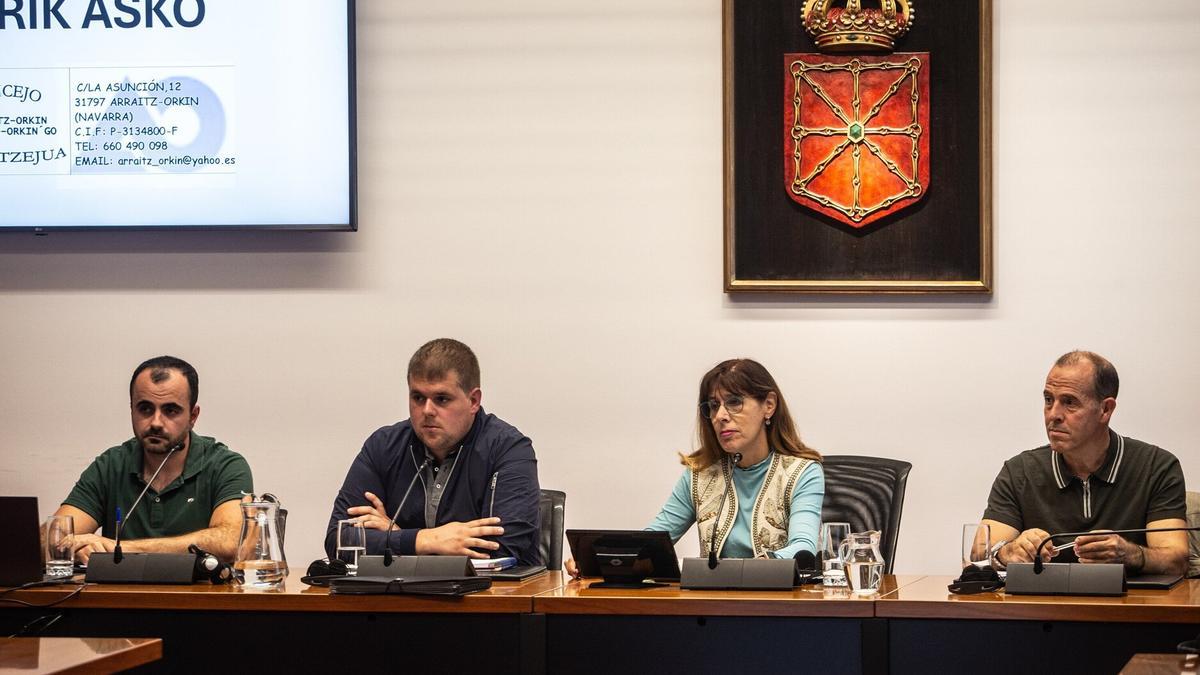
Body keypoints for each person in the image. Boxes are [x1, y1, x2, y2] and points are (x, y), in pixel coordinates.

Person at [567, 358, 825, 577]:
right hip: (711, 606)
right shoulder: (700, 474)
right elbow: (653, 540)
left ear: (768, 405)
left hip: (778, 606)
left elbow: (802, 548)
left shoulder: (802, 472)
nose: (720, 416)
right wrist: (602, 560)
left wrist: (756, 568)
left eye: (734, 402)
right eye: (713, 406)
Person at [326, 338, 541, 565]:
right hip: (400, 597)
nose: (427, 410)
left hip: (491, 597)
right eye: (418, 397)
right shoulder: (383, 446)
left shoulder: (508, 449)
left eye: (442, 399)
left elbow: (499, 553)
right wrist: (425, 540)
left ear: (474, 401)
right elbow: (339, 542)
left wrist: (396, 537)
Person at [978, 351, 1188, 575]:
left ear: (1105, 410)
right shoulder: (1019, 472)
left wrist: (1132, 554)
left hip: (1129, 605)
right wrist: (1006, 553)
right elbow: (979, 554)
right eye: (1049, 400)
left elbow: (1176, 559)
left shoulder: (1156, 467)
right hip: (1044, 606)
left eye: (1069, 402)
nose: (1053, 415)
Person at [56, 356, 254, 563]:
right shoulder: (110, 465)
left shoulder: (225, 465)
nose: (156, 422)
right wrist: (74, 547)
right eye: (145, 409)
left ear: (193, 416)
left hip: (200, 594)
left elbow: (231, 542)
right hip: (119, 594)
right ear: (132, 409)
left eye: (170, 410)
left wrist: (119, 549)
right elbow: (48, 540)